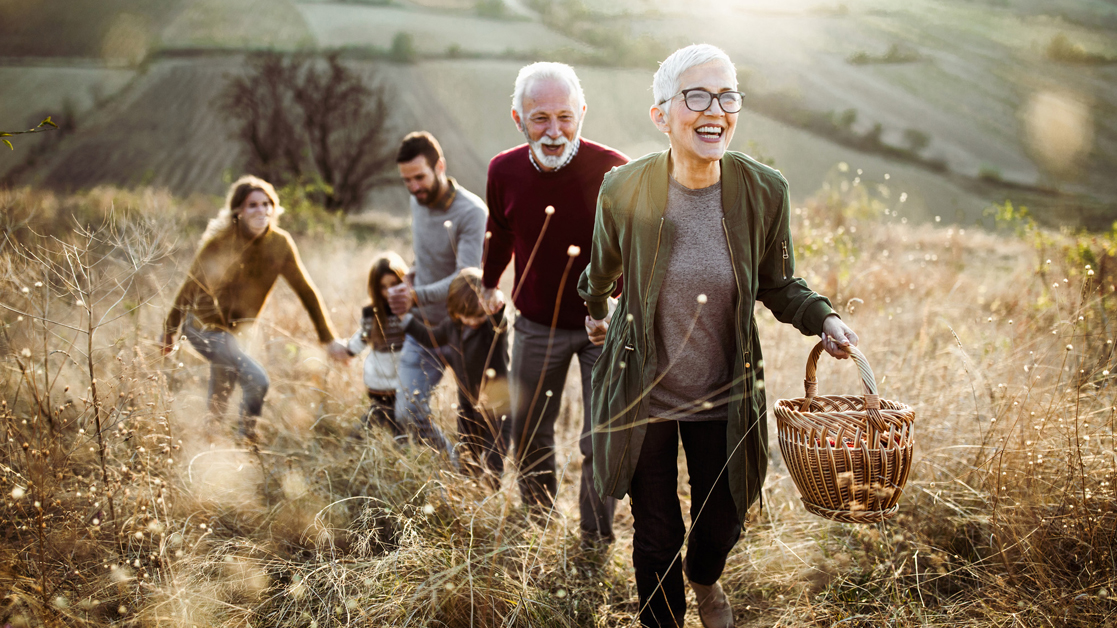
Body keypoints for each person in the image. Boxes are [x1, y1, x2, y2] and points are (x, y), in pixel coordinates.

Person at [577, 44, 861, 628]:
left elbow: (780, 284)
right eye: (697, 96)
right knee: (657, 535)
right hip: (643, 393)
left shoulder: (764, 191)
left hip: (724, 393)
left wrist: (824, 317)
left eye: (727, 95)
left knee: (724, 519)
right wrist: (597, 306)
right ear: (661, 115)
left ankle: (705, 579)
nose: (716, 109)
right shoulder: (623, 189)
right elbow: (600, 271)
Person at [481, 61, 628, 547]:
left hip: (601, 327)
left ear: (582, 113)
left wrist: (615, 309)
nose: (553, 130)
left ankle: (594, 538)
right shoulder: (502, 171)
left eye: (565, 116)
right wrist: (488, 283)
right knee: (529, 432)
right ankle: (539, 522)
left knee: (601, 438)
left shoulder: (613, 170)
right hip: (535, 325)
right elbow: (500, 235)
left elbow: (636, 249)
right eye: (539, 117)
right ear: (517, 118)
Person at [162, 175, 349, 442]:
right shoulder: (220, 243)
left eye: (266, 204)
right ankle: (246, 439)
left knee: (222, 389)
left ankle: (209, 442)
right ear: (238, 210)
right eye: (253, 205)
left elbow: (306, 291)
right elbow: (189, 287)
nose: (262, 211)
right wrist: (169, 331)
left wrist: (328, 339)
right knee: (257, 380)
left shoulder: (280, 245)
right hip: (204, 327)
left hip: (237, 334)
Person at [389, 131, 488, 460]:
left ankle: (476, 483)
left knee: (479, 420)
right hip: (424, 330)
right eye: (407, 181)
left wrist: (415, 295)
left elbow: (466, 279)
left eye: (420, 177)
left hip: (464, 331)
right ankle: (451, 464)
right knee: (406, 412)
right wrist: (411, 279)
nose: (414, 187)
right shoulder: (416, 201)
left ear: (440, 166)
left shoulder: (471, 212)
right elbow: (424, 256)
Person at [401, 268, 510, 485]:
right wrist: (405, 320)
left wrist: (496, 305)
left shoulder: (491, 328)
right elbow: (430, 337)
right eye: (465, 317)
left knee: (492, 461)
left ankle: (488, 500)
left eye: (478, 316)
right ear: (454, 310)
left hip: (498, 408)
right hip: (467, 406)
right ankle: (469, 495)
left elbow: (500, 320)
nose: (472, 322)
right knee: (467, 457)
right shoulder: (453, 326)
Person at [346, 252, 410, 440]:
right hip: (379, 378)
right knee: (378, 415)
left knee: (401, 419)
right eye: (383, 287)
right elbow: (363, 336)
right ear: (376, 288)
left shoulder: (410, 310)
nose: (389, 291)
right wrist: (348, 351)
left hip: (404, 376)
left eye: (394, 284)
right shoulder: (371, 312)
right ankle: (353, 444)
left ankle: (402, 454)